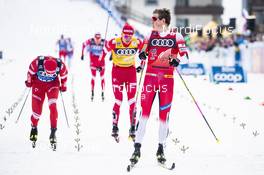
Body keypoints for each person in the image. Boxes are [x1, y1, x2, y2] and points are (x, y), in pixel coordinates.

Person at [129, 8, 188, 165]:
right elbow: (141, 53)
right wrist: (141, 55)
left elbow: (186, 57)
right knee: (144, 114)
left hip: (167, 80)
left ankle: (161, 148)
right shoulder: (150, 35)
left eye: (155, 19)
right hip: (150, 79)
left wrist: (178, 61)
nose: (153, 22)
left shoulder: (176, 36)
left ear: (163, 21)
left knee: (163, 117)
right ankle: (137, 147)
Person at [106, 23, 143, 141]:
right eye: (125, 36)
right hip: (117, 72)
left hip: (131, 73)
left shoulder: (136, 42)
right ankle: (114, 126)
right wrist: (101, 63)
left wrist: (141, 66)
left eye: (129, 36)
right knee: (118, 100)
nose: (127, 38)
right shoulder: (114, 42)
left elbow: (144, 52)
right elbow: (103, 51)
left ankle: (132, 127)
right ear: (121, 34)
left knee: (132, 101)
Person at [25, 56, 68, 148]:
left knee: (53, 106)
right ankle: (34, 127)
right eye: (47, 72)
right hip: (38, 84)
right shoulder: (37, 62)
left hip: (52, 85)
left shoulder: (60, 65)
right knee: (37, 112)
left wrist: (64, 86)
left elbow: (64, 75)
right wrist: (29, 82)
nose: (49, 74)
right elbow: (30, 73)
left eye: (52, 73)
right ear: (44, 66)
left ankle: (53, 132)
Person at [81, 32, 107, 101]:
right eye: (96, 38)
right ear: (94, 38)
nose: (97, 40)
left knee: (102, 77)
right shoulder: (90, 41)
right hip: (93, 62)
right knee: (93, 77)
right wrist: (82, 54)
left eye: (99, 38)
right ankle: (92, 91)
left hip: (101, 62)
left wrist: (112, 56)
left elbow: (111, 46)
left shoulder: (104, 42)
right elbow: (83, 44)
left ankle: (102, 92)